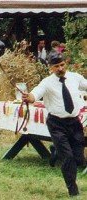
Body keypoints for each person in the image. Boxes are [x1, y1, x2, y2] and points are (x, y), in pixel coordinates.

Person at [22, 52, 87, 197]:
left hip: (75, 123)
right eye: (56, 66)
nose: (60, 68)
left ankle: (56, 152)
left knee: (79, 159)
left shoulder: (75, 78)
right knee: (68, 158)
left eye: (62, 65)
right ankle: (73, 190)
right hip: (57, 124)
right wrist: (30, 97)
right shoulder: (47, 82)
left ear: (66, 64)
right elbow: (36, 93)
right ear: (50, 68)